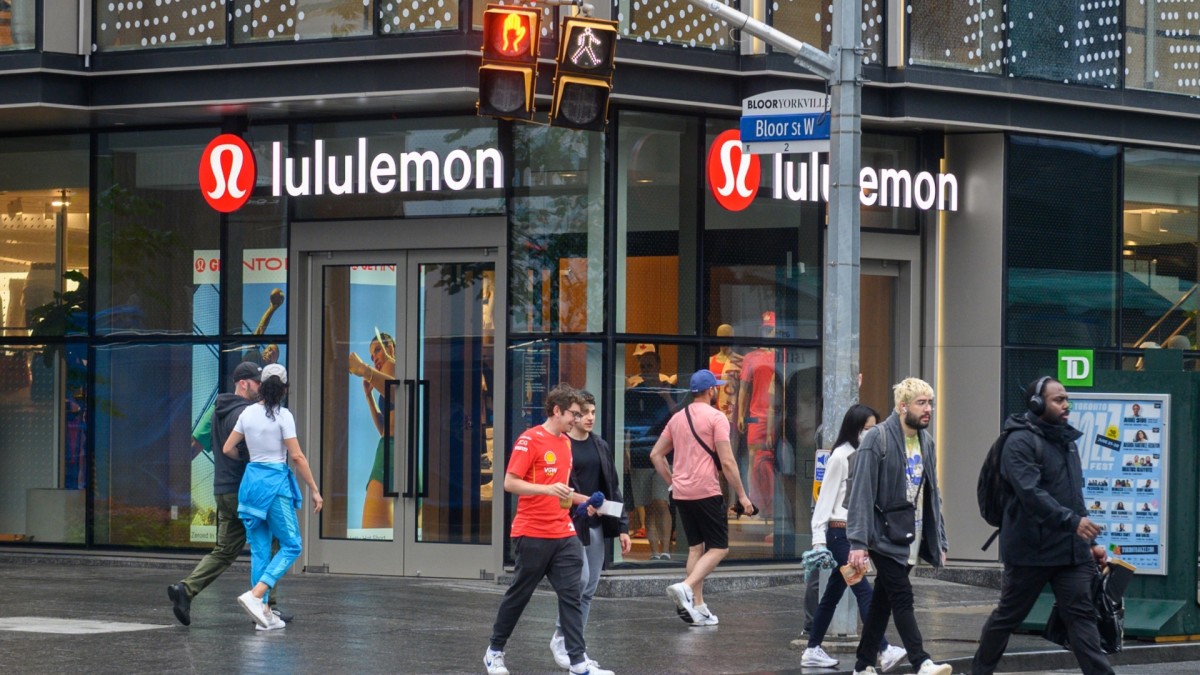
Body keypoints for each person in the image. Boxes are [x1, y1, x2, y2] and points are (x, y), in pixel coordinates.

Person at [970, 376, 1113, 675]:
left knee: (1082, 618)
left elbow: (1075, 496)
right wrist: (1073, 522)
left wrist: (1090, 543)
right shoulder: (1019, 441)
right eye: (1058, 400)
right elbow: (1030, 494)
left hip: (1070, 551)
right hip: (1030, 551)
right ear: (1037, 404)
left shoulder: (1066, 441)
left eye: (1066, 399)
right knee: (1008, 617)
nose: (1066, 405)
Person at [484, 385, 615, 675]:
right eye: (573, 414)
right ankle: (494, 651)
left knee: (573, 593)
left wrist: (587, 502)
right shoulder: (529, 439)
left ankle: (577, 661)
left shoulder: (565, 444)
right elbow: (509, 483)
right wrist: (547, 489)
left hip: (563, 532)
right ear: (557, 411)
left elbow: (562, 492)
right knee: (520, 594)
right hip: (532, 531)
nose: (576, 420)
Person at [169, 361, 292, 626]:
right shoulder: (248, 413)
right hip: (246, 492)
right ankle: (267, 606)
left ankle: (185, 589)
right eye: (258, 383)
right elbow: (252, 455)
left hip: (222, 490)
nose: (262, 388)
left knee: (225, 550)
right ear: (244, 384)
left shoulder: (217, 411)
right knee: (270, 542)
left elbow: (202, 443)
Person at [846, 377, 952, 675]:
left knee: (882, 602)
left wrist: (939, 539)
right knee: (902, 596)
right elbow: (861, 492)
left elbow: (933, 495)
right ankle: (922, 661)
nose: (928, 409)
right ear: (903, 406)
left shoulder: (927, 442)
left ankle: (863, 665)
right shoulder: (877, 438)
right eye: (921, 403)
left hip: (910, 536)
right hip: (881, 536)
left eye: (930, 403)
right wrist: (858, 543)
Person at [802, 404, 907, 672]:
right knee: (864, 591)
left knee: (833, 593)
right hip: (840, 535)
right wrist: (818, 540)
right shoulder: (840, 456)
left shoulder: (865, 455)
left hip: (852, 535)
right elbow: (824, 500)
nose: (871, 433)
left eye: (874, 428)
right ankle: (883, 649)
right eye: (866, 428)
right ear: (855, 428)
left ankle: (812, 648)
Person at [224, 363, 323, 631]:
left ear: (262, 385)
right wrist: (314, 489)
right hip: (274, 485)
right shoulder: (283, 416)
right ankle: (256, 596)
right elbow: (297, 457)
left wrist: (249, 460)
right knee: (292, 545)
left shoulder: (246, 413)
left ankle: (264, 614)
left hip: (251, 484)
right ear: (284, 389)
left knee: (260, 550)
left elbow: (228, 448)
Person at [651, 369, 754, 627]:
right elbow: (727, 462)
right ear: (710, 390)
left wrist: (672, 482)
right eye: (715, 387)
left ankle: (698, 607)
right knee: (719, 547)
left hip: (682, 493)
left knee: (696, 548)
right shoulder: (717, 418)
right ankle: (686, 587)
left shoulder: (677, 417)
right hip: (706, 491)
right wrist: (743, 496)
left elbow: (656, 455)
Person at [548, 390, 632, 668]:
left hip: (596, 523)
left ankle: (575, 646)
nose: (590, 418)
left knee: (590, 586)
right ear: (573, 415)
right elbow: (556, 487)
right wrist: (580, 504)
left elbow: (613, 487)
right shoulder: (562, 444)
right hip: (570, 523)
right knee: (580, 581)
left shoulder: (600, 445)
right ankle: (562, 636)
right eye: (584, 413)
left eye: (593, 412)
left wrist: (622, 526)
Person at [624, 351, 674, 560]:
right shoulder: (634, 393)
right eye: (643, 367)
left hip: (665, 456)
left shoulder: (669, 390)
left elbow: (678, 418)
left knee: (661, 502)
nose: (645, 370)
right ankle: (655, 552)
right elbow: (626, 427)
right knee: (649, 507)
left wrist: (666, 397)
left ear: (658, 367)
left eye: (649, 366)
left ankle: (667, 551)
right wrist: (625, 454)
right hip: (640, 454)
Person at [349, 331, 397, 529]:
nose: (375, 358)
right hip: (396, 449)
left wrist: (363, 369)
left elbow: (398, 392)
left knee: (372, 533)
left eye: (377, 350)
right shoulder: (388, 375)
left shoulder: (392, 364)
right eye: (371, 356)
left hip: (389, 453)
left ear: (390, 348)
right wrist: (369, 398)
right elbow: (384, 428)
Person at [738, 311, 780, 518]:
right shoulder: (751, 357)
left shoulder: (783, 355)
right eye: (765, 330)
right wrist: (740, 414)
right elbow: (744, 387)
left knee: (774, 460)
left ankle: (774, 507)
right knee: (753, 459)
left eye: (771, 329)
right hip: (756, 414)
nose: (768, 333)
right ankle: (754, 504)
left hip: (777, 415)